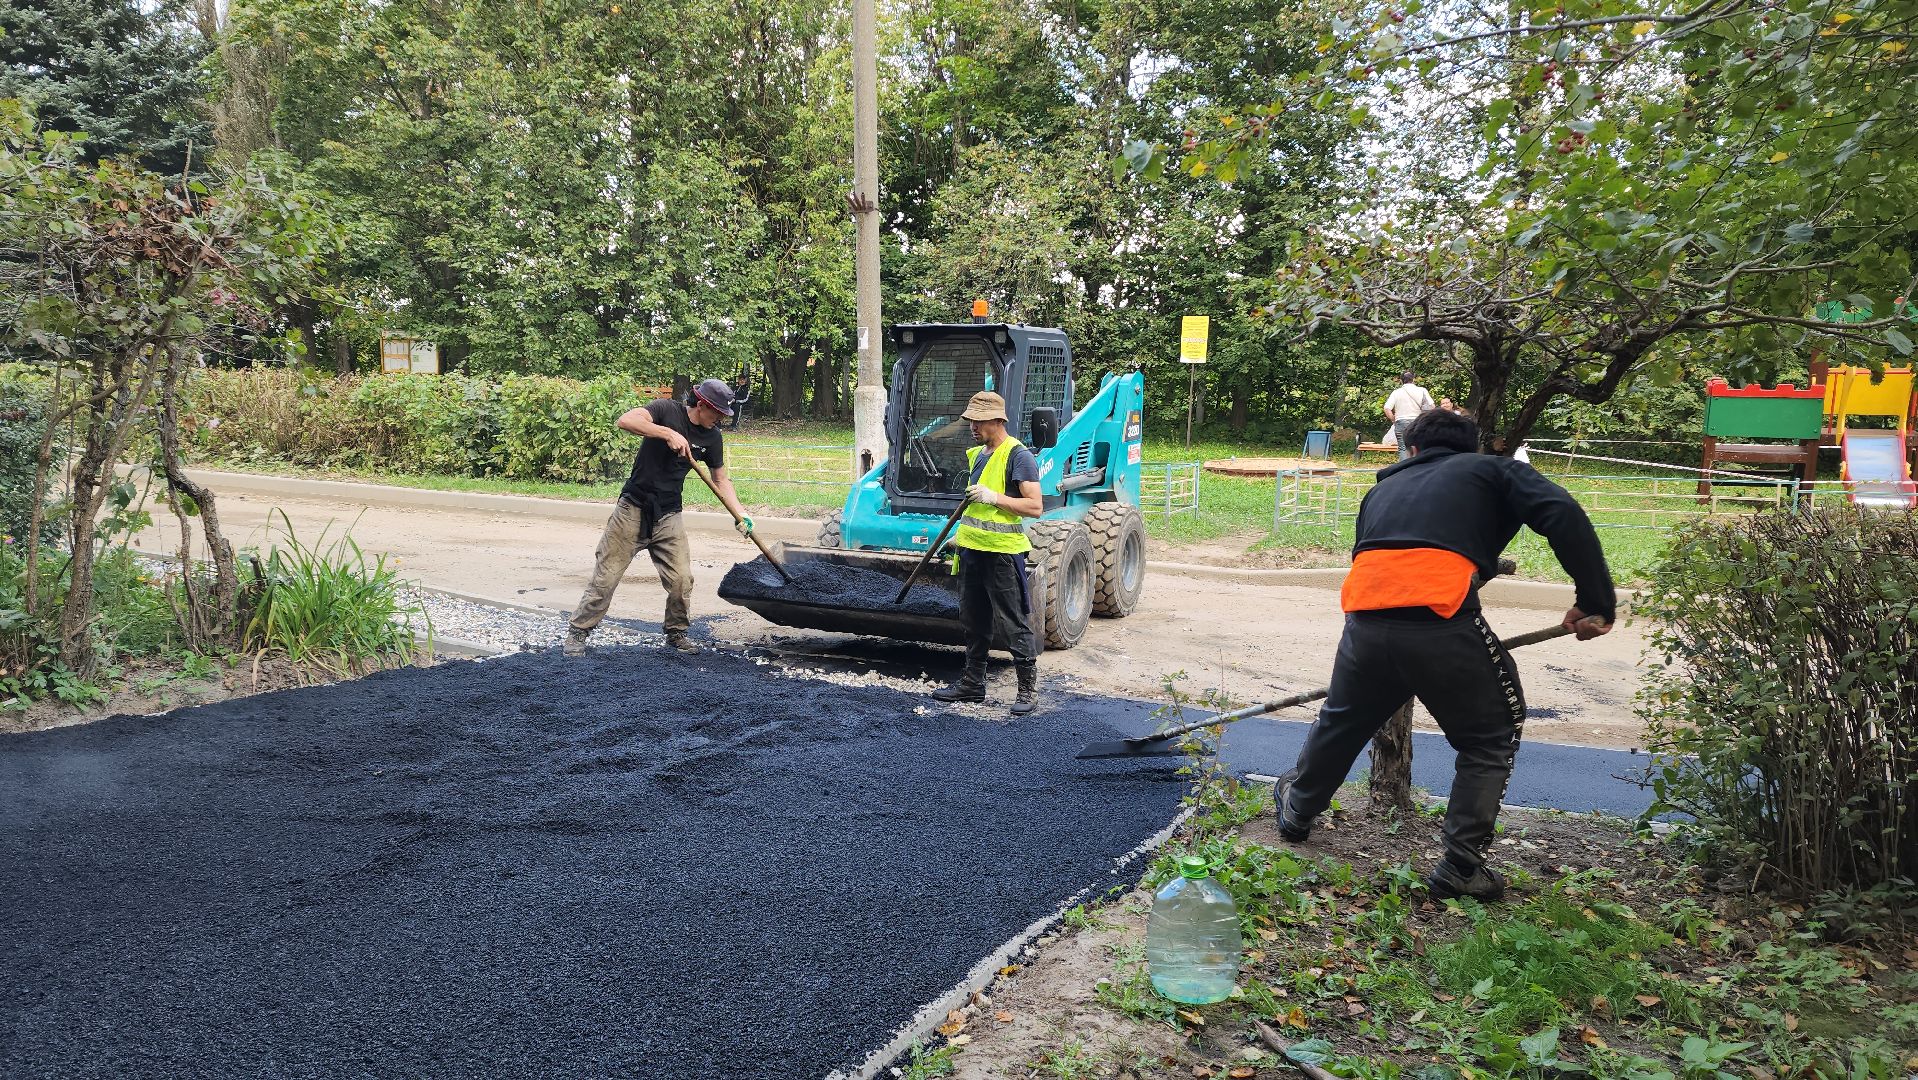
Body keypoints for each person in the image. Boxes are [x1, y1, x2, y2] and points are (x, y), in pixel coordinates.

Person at [1271, 409, 1616, 902]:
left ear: (1410, 449)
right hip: (1442, 626)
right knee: (1489, 736)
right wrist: (1596, 601)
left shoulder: (1380, 491)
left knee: (1343, 720)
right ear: (1472, 448)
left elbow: (1405, 553)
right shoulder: (1494, 470)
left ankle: (1298, 811)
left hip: (1365, 625)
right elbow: (1562, 513)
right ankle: (1460, 867)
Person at [563, 379, 753, 656]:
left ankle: (676, 633)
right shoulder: (666, 410)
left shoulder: (712, 437)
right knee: (606, 577)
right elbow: (625, 421)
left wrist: (741, 514)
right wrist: (666, 434)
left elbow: (720, 478)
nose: (721, 419)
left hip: (669, 515)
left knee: (681, 579)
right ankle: (578, 632)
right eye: (718, 413)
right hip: (633, 509)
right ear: (701, 405)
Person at [930, 391, 1045, 715]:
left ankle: (1027, 691)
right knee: (973, 620)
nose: (971, 426)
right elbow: (976, 511)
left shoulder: (1018, 456)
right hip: (972, 551)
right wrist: (959, 538)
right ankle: (972, 684)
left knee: (1012, 622)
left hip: (1002, 555)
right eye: (970, 421)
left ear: (997, 420)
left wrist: (994, 497)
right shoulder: (980, 454)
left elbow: (1035, 506)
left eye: (977, 421)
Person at [1383, 372, 1436, 461]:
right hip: (1417, 422)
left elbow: (1387, 408)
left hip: (1401, 422)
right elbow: (1432, 407)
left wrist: (1393, 419)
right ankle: (1417, 468)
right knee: (1418, 446)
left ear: (1401, 381)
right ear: (1413, 379)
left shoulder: (1396, 392)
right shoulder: (1422, 390)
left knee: (1403, 448)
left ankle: (1404, 469)